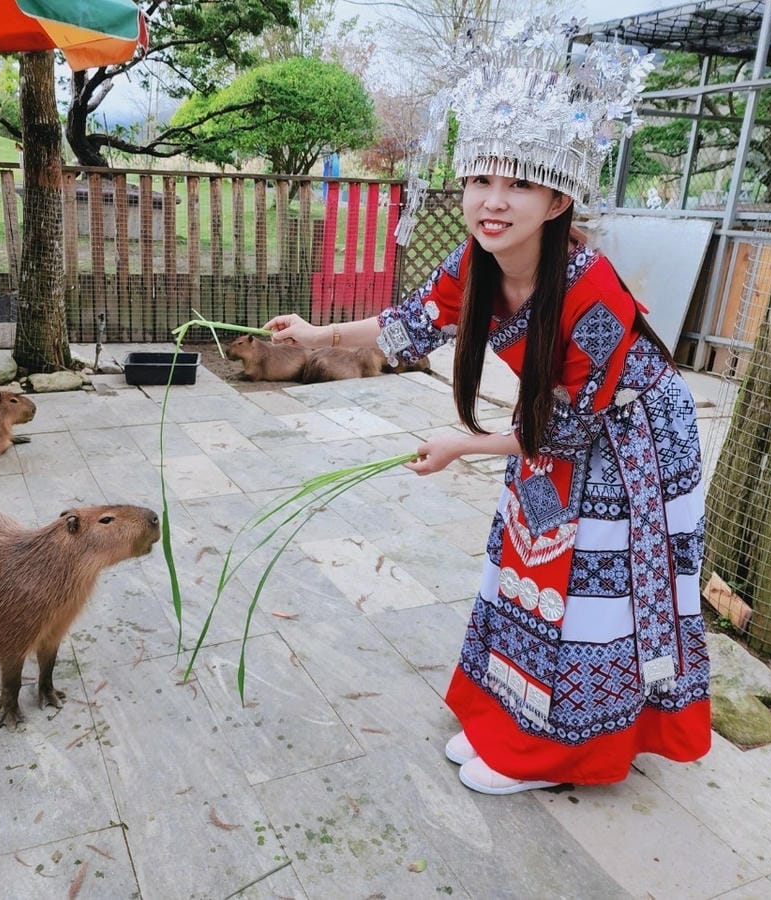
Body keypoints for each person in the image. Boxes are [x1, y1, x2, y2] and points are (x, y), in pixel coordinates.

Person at [264, 17, 710, 795]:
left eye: (517, 184)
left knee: (584, 588)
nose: (491, 201)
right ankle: (509, 724)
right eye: (480, 180)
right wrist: (314, 330)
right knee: (524, 565)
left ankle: (561, 753)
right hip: (555, 434)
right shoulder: (475, 259)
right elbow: (412, 321)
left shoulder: (591, 293)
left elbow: (565, 431)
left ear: (558, 196)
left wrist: (461, 445)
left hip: (632, 445)